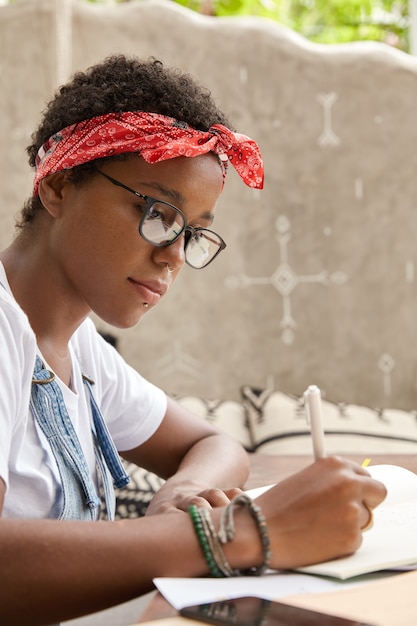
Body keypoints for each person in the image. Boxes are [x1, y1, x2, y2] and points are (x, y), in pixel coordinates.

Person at [0, 54, 386, 626]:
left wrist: (184, 494)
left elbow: (214, 445)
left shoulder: (77, 351)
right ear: (58, 187)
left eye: (195, 232)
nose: (175, 255)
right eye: (158, 212)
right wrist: (236, 533)